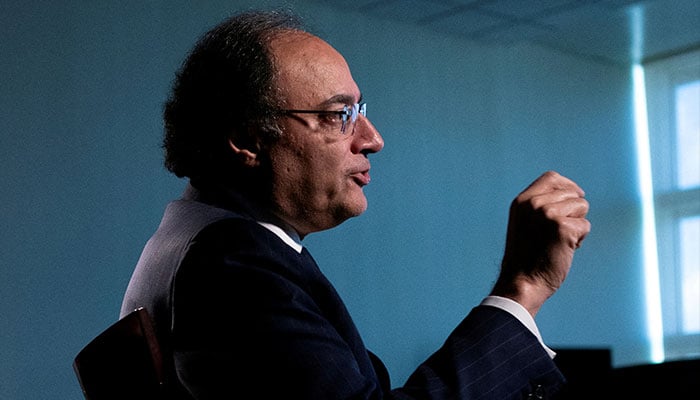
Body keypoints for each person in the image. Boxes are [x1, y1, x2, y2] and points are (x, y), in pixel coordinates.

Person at [121, 9, 590, 400]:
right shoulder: (232, 264)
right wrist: (523, 288)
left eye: (360, 112)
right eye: (337, 115)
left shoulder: (192, 240)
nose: (372, 140)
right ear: (247, 138)